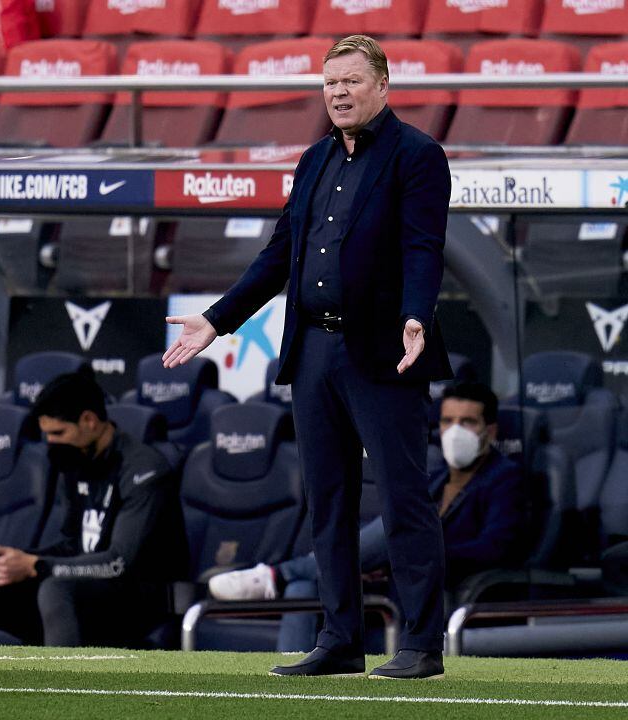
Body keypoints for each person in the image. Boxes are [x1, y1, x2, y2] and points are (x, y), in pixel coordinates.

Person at [163, 34, 453, 679]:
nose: (340, 93)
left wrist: (415, 315)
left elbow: (422, 247)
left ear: (383, 85)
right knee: (327, 500)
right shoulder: (314, 159)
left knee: (404, 499)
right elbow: (278, 255)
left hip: (384, 352)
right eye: (330, 83)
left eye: (352, 81)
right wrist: (217, 320)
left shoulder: (418, 155)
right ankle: (341, 638)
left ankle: (421, 646)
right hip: (314, 350)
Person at [210, 382, 529, 651]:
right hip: (399, 581)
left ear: (490, 429)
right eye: (448, 421)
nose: (455, 431)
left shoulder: (506, 478)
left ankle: (276, 575)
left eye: (468, 422)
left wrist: (419, 554)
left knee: (398, 526)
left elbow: (494, 548)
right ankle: (295, 685)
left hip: (449, 587)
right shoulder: (433, 478)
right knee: (305, 586)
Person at [0, 372, 188, 647]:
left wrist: (35, 565)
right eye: (46, 434)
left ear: (89, 420)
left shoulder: (144, 469)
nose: (51, 442)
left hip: (137, 601)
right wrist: (7, 560)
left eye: (58, 433)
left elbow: (119, 562)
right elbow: (73, 545)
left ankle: (63, 687)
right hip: (79, 592)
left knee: (55, 587)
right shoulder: (74, 461)